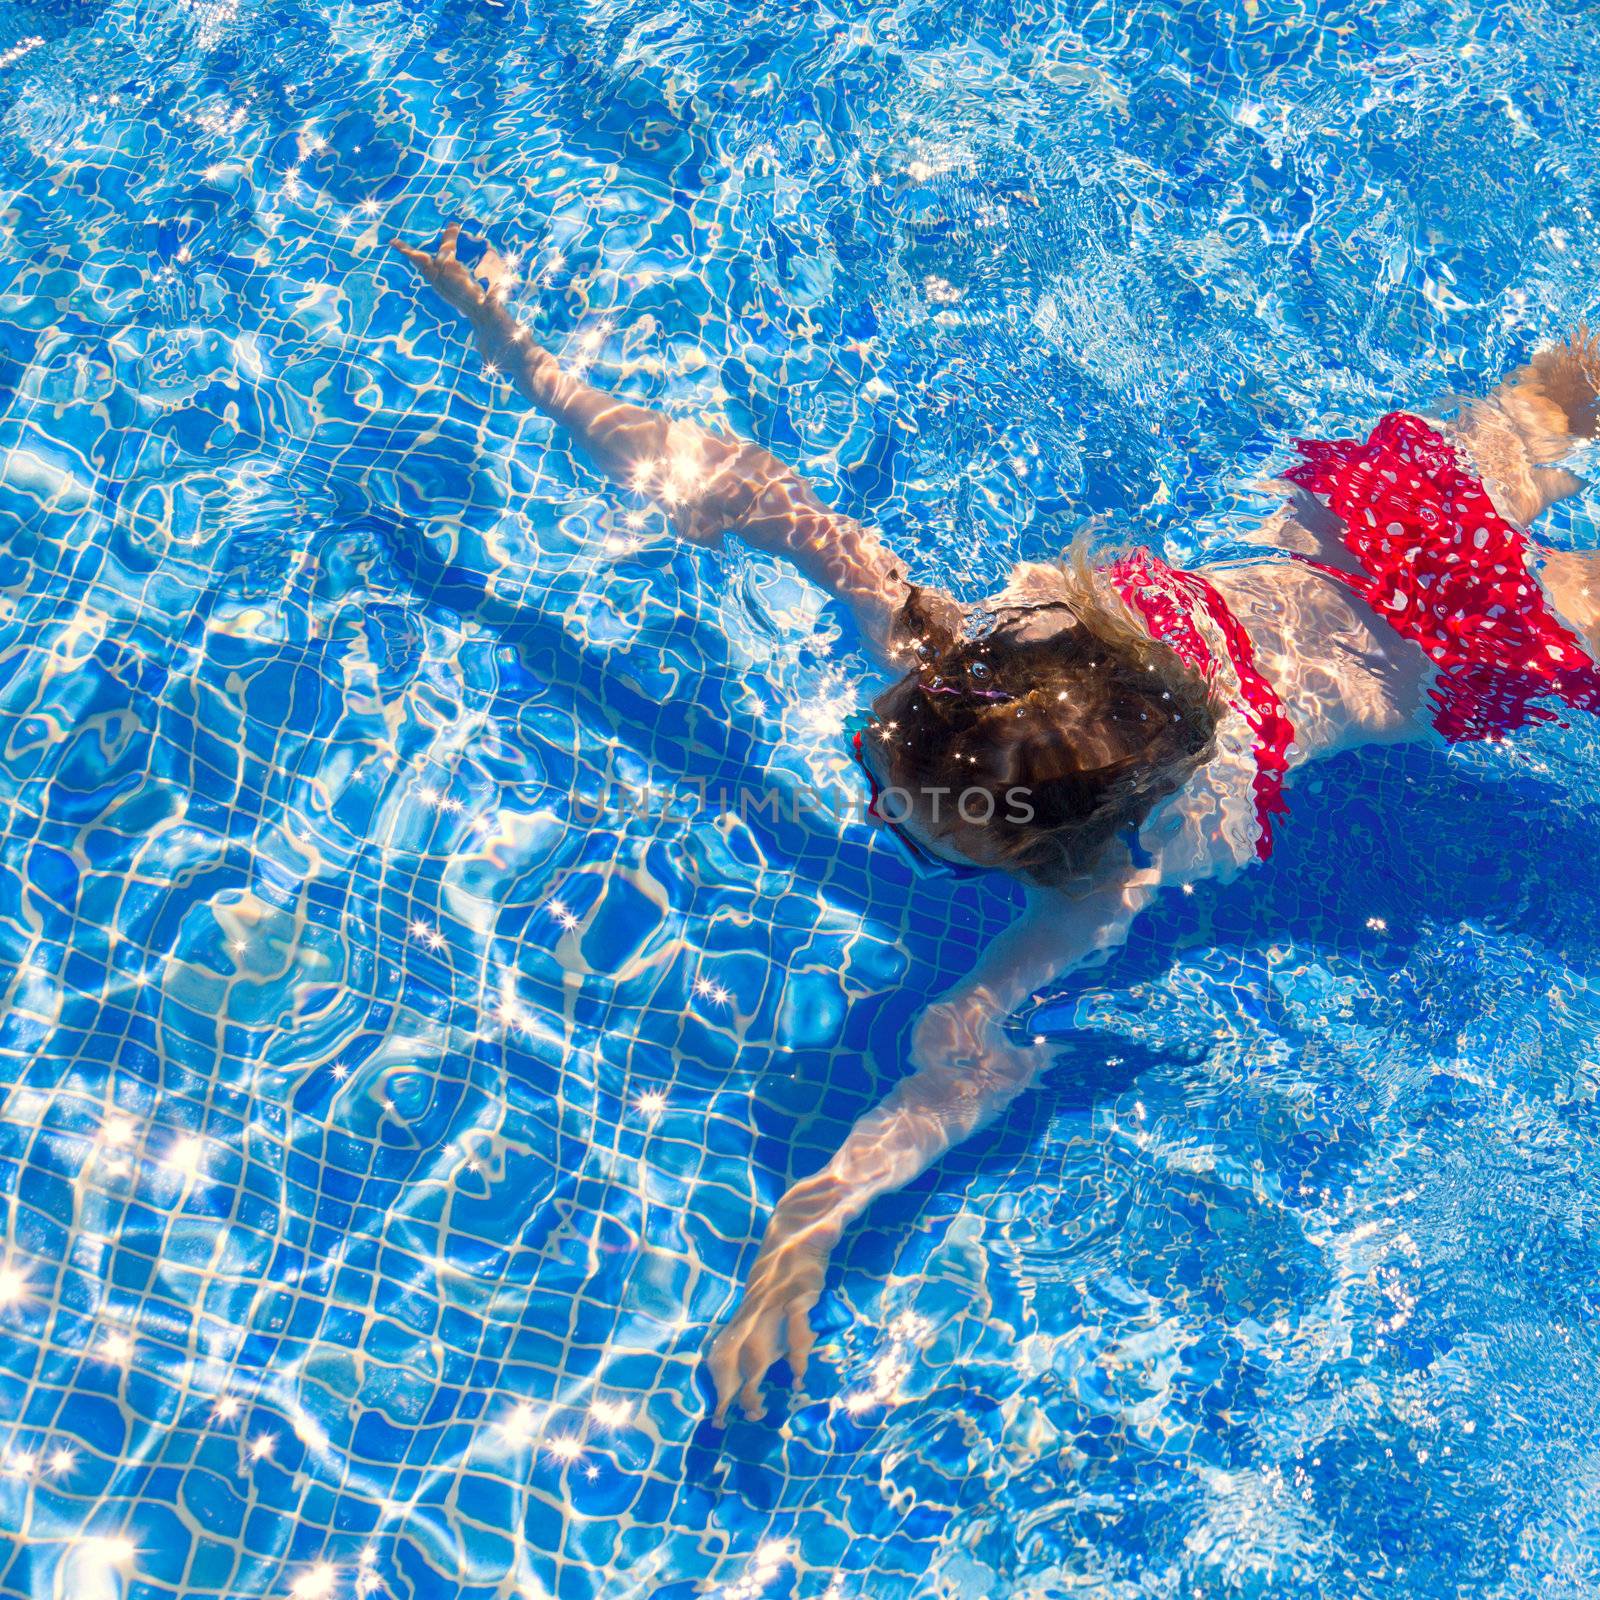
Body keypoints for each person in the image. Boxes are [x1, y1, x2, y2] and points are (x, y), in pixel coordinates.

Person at [392, 226, 1600, 1424]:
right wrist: (526, 360)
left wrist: (804, 1229)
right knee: (1557, 395)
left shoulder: (1102, 878)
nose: (866, 808)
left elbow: (966, 1062)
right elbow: (753, 491)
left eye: (910, 826)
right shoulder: (981, 667)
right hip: (1381, 528)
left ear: (1051, 853)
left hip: (1450, 654)